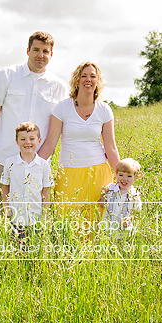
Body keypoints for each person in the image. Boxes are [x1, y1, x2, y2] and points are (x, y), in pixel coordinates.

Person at [0, 31, 67, 214]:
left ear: (51, 54)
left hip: (37, 164)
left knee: (29, 218)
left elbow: (57, 128)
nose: (40, 55)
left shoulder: (59, 87)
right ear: (27, 51)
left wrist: (42, 160)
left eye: (45, 51)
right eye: (36, 49)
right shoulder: (6, 76)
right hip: (2, 160)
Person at [37, 62, 119, 228]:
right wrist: (30, 166)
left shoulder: (104, 110)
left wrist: (122, 177)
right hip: (69, 174)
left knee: (98, 224)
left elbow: (110, 148)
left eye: (92, 76)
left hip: (99, 175)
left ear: (98, 81)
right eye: (84, 76)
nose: (88, 79)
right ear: (77, 80)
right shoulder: (62, 108)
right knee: (68, 226)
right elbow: (50, 144)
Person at [0, 122, 53, 238]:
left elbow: (46, 191)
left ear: (39, 141)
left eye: (32, 139)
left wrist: (45, 214)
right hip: (16, 216)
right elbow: (5, 187)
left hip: (36, 217)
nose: (27, 142)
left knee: (34, 249)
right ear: (17, 142)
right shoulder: (10, 163)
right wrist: (6, 208)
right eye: (23, 139)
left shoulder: (44, 165)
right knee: (16, 249)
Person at [99, 158, 142, 236]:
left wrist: (130, 219)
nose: (124, 179)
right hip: (107, 228)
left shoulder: (135, 194)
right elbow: (102, 205)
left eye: (129, 176)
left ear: (136, 177)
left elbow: (137, 212)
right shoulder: (110, 189)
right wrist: (102, 194)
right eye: (121, 175)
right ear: (116, 174)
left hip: (124, 231)